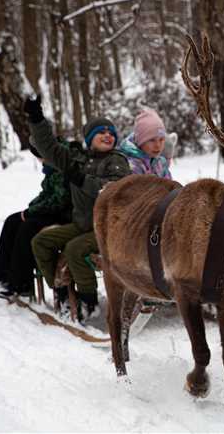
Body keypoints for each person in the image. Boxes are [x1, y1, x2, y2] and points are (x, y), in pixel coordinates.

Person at [23, 94, 131, 320]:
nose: (107, 135)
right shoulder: (76, 159)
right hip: (82, 224)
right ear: (89, 138)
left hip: (109, 230)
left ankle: (88, 302)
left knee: (74, 249)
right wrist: (36, 118)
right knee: (40, 242)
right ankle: (61, 290)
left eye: (111, 133)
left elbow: (112, 191)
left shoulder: (117, 161)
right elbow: (48, 148)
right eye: (101, 132)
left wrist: (82, 179)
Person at [0, 142, 72, 299]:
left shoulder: (62, 166)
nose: (41, 161)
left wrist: (31, 212)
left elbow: (59, 201)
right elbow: (46, 195)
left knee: (27, 228)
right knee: (12, 221)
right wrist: (30, 209)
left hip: (65, 216)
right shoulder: (52, 169)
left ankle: (19, 283)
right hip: (53, 212)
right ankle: (3, 275)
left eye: (40, 157)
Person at [118, 108, 173, 178]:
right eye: (152, 140)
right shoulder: (129, 165)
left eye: (161, 139)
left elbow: (170, 186)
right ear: (140, 141)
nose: (158, 145)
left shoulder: (160, 163)